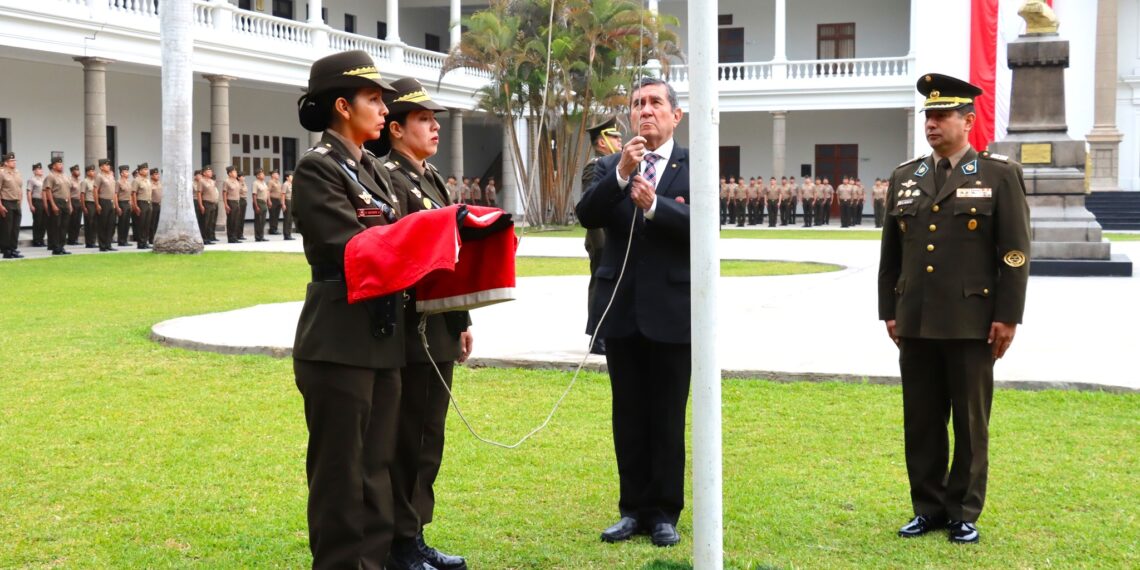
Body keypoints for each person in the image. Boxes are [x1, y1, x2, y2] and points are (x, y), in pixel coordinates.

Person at [878, 73, 1031, 545]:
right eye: (929, 115)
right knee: (921, 420)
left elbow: (1015, 253)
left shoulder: (998, 174)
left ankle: (962, 510)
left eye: (942, 115)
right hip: (917, 320)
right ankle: (927, 507)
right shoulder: (907, 176)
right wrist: (890, 310)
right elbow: (891, 255)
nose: (932, 123)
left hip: (971, 322)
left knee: (969, 422)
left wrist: (1008, 315)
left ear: (969, 120)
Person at [291, 49, 413, 570]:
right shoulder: (316, 169)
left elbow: (398, 235)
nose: (384, 110)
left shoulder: (377, 174)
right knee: (341, 474)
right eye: (373, 99)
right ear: (343, 106)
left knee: (377, 468)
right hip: (338, 339)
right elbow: (353, 247)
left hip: (382, 336)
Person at [576, 76, 690, 548]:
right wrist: (622, 175)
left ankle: (663, 512)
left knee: (666, 415)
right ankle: (631, 510)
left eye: (656, 103)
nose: (646, 111)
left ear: (675, 115)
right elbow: (586, 214)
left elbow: (706, 229)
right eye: (638, 103)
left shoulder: (693, 166)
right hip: (621, 312)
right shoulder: (610, 164)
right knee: (628, 415)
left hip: (672, 311)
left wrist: (657, 207)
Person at [377, 77, 472, 570]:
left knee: (429, 434)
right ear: (395, 129)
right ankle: (400, 541)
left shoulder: (429, 177)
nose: (435, 126)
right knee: (409, 433)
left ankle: (415, 533)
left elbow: (450, 256)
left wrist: (461, 318)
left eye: (436, 119)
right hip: (411, 325)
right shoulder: (391, 177)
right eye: (423, 120)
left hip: (438, 324)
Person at [582, 116, 623, 356]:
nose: (620, 141)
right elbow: (592, 202)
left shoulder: (617, 163)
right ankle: (597, 337)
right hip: (600, 237)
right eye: (615, 137)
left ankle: (608, 332)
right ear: (601, 143)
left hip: (613, 235)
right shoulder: (595, 165)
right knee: (600, 285)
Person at [42, 157, 72, 255]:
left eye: (62, 164)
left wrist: (70, 204)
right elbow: (48, 190)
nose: (61, 165)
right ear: (54, 166)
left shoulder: (65, 176)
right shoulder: (50, 176)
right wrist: (53, 204)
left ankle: (61, 246)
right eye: (59, 164)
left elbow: (68, 191)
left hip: (65, 202)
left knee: (64, 226)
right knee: (56, 226)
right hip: (56, 201)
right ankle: (55, 247)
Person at [0, 152, 24, 259]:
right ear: (5, 163)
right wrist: (0, 206)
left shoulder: (17, 173)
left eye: (14, 161)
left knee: (15, 228)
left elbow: (20, 187)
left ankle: (13, 249)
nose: (14, 163)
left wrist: (20, 201)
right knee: (7, 228)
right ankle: (6, 250)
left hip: (16, 202)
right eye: (11, 161)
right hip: (6, 202)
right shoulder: (1, 173)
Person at [130, 163, 153, 249]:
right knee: (141, 224)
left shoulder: (147, 180)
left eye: (147, 169)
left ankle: (145, 242)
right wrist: (135, 205)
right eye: (144, 169)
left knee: (147, 224)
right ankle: (140, 243)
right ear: (140, 171)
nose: (146, 171)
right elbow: (133, 194)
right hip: (141, 203)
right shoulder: (136, 180)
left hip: (148, 203)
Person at [196, 165, 219, 244]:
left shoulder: (212, 181)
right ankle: (204, 238)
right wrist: (201, 205)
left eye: (211, 171)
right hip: (206, 203)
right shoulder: (201, 181)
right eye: (209, 171)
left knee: (210, 222)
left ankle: (208, 238)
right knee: (205, 222)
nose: (211, 172)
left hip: (213, 203)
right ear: (204, 173)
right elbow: (199, 193)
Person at [27, 162, 46, 247]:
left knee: (43, 222)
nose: (40, 170)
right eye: (38, 169)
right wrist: (31, 205)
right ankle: (36, 240)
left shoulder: (44, 179)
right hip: (37, 201)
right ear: (34, 171)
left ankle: (41, 239)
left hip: (44, 201)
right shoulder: (32, 180)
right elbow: (29, 192)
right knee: (37, 221)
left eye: (41, 168)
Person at [80, 164, 98, 248]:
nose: (93, 172)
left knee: (95, 223)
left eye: (93, 170)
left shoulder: (95, 181)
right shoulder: (85, 181)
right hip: (88, 203)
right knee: (89, 223)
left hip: (95, 203)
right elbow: (82, 194)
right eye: (91, 171)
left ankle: (93, 241)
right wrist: (83, 206)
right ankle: (89, 242)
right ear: (87, 172)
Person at [115, 165, 133, 246]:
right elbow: (115, 195)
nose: (127, 173)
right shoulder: (118, 182)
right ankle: (121, 241)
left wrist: (131, 202)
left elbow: (130, 194)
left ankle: (125, 240)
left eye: (127, 171)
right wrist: (117, 206)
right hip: (121, 203)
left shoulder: (128, 182)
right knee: (122, 223)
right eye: (126, 172)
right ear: (122, 173)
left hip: (127, 203)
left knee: (127, 223)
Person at [67, 165, 83, 245]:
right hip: (72, 201)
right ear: (72, 172)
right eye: (76, 170)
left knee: (78, 222)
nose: (78, 172)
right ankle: (71, 239)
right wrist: (69, 204)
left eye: (78, 170)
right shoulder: (70, 180)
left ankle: (75, 239)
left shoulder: (80, 181)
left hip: (79, 201)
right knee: (72, 221)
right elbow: (68, 193)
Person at [252, 168, 269, 241]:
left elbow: (267, 192)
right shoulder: (255, 183)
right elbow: (254, 195)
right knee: (258, 220)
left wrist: (269, 201)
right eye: (262, 174)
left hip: (264, 203)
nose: (263, 175)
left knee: (263, 221)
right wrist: (256, 206)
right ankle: (258, 237)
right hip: (259, 202)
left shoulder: (264, 183)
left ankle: (262, 236)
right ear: (258, 176)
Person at [149, 168, 162, 244]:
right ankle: (151, 238)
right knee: (152, 223)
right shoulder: (149, 184)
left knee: (157, 223)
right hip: (152, 204)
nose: (158, 176)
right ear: (151, 176)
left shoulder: (160, 183)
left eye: (158, 174)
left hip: (159, 204)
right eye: (156, 174)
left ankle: (156, 237)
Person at [281, 171, 294, 240]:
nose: (292, 177)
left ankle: (289, 234)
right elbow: (283, 194)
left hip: (291, 201)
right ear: (287, 177)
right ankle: (286, 234)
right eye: (291, 176)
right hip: (287, 201)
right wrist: (283, 204)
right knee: (287, 218)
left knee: (291, 218)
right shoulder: (285, 184)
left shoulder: (291, 184)